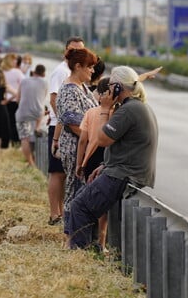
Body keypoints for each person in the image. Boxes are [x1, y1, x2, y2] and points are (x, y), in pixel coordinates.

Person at [67, 66, 159, 250]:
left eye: (110, 87)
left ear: (118, 87)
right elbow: (124, 146)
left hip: (124, 175)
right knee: (84, 203)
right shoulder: (137, 107)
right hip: (126, 171)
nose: (107, 91)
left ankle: (80, 255)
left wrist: (104, 109)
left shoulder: (128, 110)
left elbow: (101, 139)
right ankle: (92, 249)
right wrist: (105, 165)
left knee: (79, 206)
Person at [47, 36, 85, 226]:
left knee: (66, 174)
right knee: (57, 173)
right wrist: (64, 123)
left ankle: (62, 212)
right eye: (72, 50)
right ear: (65, 52)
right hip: (59, 128)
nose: (76, 54)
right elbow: (54, 100)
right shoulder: (61, 72)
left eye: (80, 51)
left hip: (66, 127)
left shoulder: (74, 72)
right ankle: (55, 214)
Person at [75, 77, 112, 251]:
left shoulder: (90, 113)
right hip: (107, 156)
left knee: (90, 198)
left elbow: (83, 140)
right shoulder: (116, 113)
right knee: (104, 202)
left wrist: (79, 163)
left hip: (91, 157)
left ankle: (89, 237)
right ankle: (102, 242)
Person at [15, 64, 48, 167]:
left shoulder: (24, 81)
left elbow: (17, 99)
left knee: (25, 138)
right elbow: (43, 97)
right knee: (35, 134)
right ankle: (37, 128)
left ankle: (31, 163)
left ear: (33, 72)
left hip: (23, 113)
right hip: (38, 114)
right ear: (43, 74)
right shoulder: (45, 82)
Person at [0, 53, 24, 147]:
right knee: (15, 122)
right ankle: (16, 142)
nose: (16, 61)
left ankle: (5, 143)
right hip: (15, 100)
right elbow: (23, 85)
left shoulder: (1, 72)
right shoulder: (17, 72)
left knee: (6, 122)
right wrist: (14, 96)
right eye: (14, 60)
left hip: (4, 100)